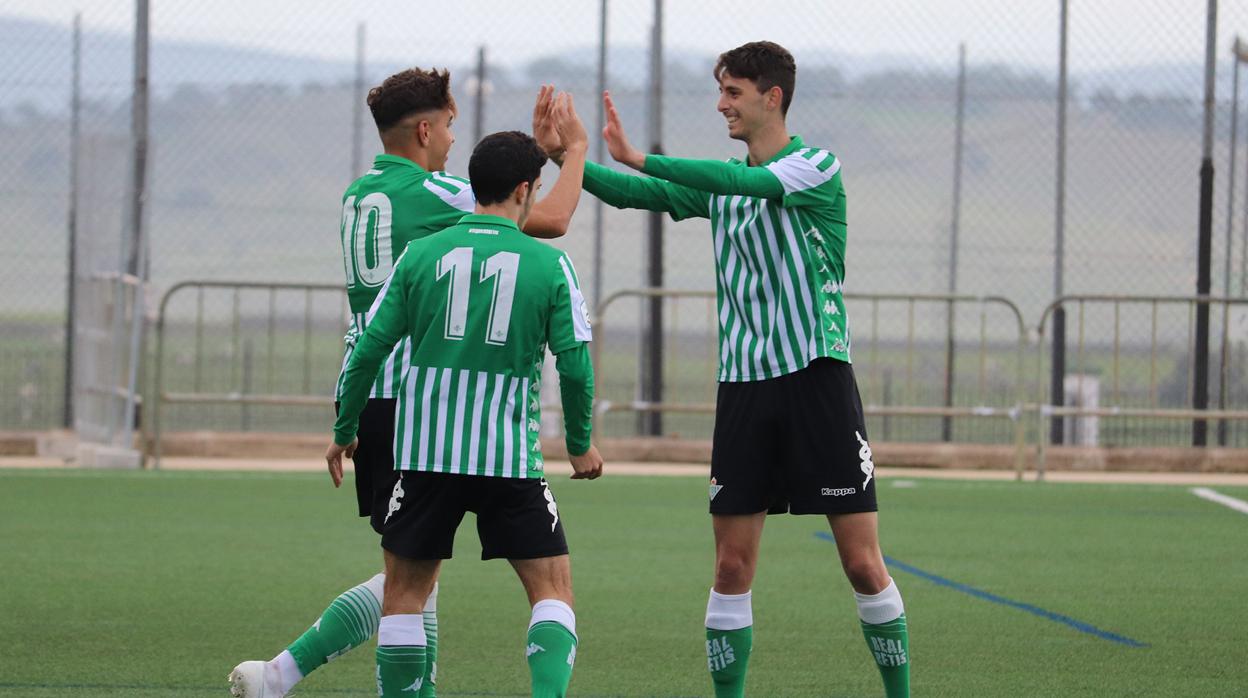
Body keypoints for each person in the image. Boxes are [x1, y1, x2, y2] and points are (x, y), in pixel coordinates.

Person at [542, 41, 910, 697]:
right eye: (720, 91)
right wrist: (568, 160)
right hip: (743, 389)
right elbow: (638, 194)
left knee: (860, 562)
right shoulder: (724, 188)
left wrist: (638, 152)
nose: (721, 105)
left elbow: (745, 182)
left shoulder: (815, 167)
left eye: (733, 92)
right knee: (731, 564)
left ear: (773, 96)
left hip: (817, 380)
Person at [228, 69, 587, 698]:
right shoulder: (438, 195)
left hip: (369, 399)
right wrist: (569, 156)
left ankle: (281, 675)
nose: (452, 138)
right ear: (425, 129)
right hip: (417, 402)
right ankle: (285, 673)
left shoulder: (356, 193)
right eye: (448, 125)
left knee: (413, 573)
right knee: (409, 580)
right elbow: (546, 219)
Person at [330, 124, 602, 698]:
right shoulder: (550, 266)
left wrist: (344, 426)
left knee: (405, 594)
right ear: (526, 189)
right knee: (552, 591)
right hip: (508, 459)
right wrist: (579, 442)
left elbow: (369, 350)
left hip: (424, 456)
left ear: (473, 184)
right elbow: (575, 365)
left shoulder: (418, 256)